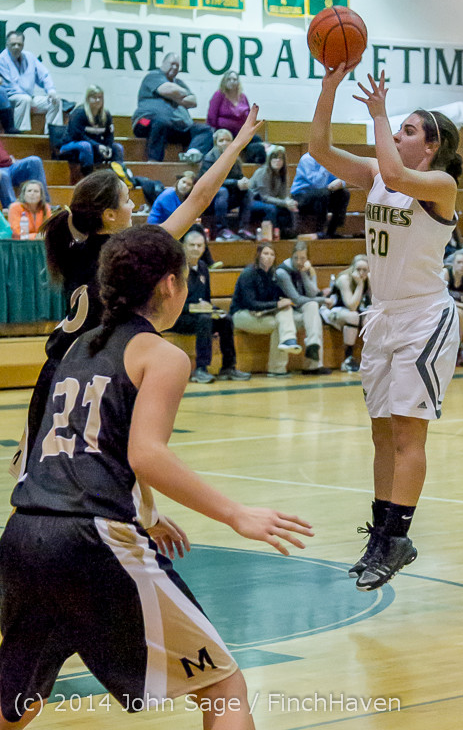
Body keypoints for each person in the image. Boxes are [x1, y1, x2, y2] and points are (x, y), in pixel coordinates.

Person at [0, 223, 313, 729]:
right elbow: (145, 453)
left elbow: (87, 445)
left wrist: (144, 512)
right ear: (170, 284)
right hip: (89, 536)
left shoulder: (77, 350)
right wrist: (236, 514)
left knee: (13, 704)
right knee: (222, 684)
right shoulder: (163, 355)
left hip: (24, 531)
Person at [10, 108, 263, 483]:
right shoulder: (128, 251)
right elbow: (198, 200)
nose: (134, 206)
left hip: (56, 374)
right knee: (106, 476)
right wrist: (237, 145)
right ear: (110, 216)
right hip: (88, 378)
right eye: (127, 201)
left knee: (34, 479)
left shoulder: (75, 248)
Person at [310, 64, 462, 591]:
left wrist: (377, 112)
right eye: (396, 128)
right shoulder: (379, 174)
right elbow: (320, 149)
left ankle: (399, 536)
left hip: (425, 317)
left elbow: (397, 175)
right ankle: (380, 535)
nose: (396, 135)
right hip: (382, 317)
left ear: (433, 145)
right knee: (380, 433)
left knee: (406, 431)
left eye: (408, 131)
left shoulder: (440, 184)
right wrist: (329, 90)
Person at [172, 230, 251, 383]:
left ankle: (228, 367)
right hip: (178, 318)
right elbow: (170, 304)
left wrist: (214, 310)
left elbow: (206, 299)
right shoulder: (176, 270)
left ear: (203, 248)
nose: (195, 248)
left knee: (225, 319)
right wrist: (195, 307)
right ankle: (201, 368)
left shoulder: (202, 267)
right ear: (183, 247)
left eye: (199, 245)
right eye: (192, 245)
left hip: (200, 316)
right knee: (204, 319)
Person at [230, 243, 302, 377]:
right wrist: (276, 305)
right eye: (265, 253)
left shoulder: (274, 275)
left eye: (272, 254)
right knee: (278, 324)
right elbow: (250, 303)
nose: (269, 257)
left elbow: (280, 298)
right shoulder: (248, 273)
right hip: (241, 314)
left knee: (285, 310)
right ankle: (277, 367)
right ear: (258, 255)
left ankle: (289, 341)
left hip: (262, 313)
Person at [132, 52, 213, 162]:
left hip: (173, 126)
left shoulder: (179, 82)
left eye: (177, 66)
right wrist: (181, 96)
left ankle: (192, 154)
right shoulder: (153, 76)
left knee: (205, 130)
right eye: (172, 64)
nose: (174, 67)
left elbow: (193, 101)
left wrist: (175, 95)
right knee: (161, 121)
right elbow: (167, 89)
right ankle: (153, 161)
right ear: (163, 63)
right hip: (145, 123)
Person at [275, 241, 333, 375]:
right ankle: (313, 363)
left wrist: (306, 274)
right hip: (287, 312)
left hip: (302, 310)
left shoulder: (307, 270)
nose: (299, 261)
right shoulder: (282, 272)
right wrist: (323, 300)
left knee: (313, 308)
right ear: (291, 256)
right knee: (313, 312)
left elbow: (314, 293)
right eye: (296, 258)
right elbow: (296, 299)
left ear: (307, 259)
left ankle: (312, 356)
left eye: (303, 258)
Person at [0, 30, 63, 132]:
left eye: (19, 44)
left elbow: (44, 74)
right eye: (13, 44)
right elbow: (12, 87)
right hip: (11, 99)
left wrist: (51, 91)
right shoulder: (2, 59)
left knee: (55, 101)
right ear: (7, 44)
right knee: (24, 100)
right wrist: (29, 101)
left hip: (29, 97)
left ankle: (53, 134)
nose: (16, 47)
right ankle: (21, 135)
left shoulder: (29, 56)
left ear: (23, 45)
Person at [199, 128, 256, 241]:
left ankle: (243, 229)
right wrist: (235, 183)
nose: (225, 143)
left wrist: (244, 181)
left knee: (247, 192)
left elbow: (239, 177)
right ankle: (221, 230)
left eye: (228, 140)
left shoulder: (235, 158)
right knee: (222, 191)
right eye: (221, 140)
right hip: (210, 198)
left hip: (227, 198)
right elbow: (212, 181)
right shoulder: (209, 158)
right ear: (216, 143)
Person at [59, 85, 124, 176]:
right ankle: (88, 176)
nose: (97, 100)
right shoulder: (79, 113)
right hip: (71, 145)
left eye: (100, 98)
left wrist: (108, 147)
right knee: (85, 146)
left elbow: (109, 135)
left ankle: (119, 176)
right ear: (88, 99)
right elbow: (78, 135)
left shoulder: (106, 114)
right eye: (94, 97)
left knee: (117, 147)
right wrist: (97, 146)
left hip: (94, 146)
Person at [320, 254, 371, 372]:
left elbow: (374, 303)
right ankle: (347, 359)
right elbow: (352, 306)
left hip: (350, 312)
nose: (361, 273)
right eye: (358, 269)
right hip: (332, 311)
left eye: (365, 270)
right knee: (353, 316)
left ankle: (371, 358)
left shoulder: (368, 278)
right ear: (352, 268)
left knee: (370, 319)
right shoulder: (344, 279)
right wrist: (360, 285)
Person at [207, 71, 266, 163]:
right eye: (229, 79)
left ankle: (253, 166)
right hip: (225, 132)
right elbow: (212, 116)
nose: (232, 81)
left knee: (257, 141)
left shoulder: (243, 97)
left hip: (240, 132)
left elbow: (249, 116)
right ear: (224, 81)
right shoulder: (219, 95)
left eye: (234, 79)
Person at [290, 152, 350, 238]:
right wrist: (325, 164)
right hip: (301, 196)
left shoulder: (328, 158)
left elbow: (338, 177)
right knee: (323, 193)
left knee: (344, 193)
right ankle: (319, 231)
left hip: (321, 195)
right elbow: (316, 184)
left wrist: (340, 182)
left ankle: (331, 231)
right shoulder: (307, 159)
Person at [248, 145, 298, 238]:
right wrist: (284, 203)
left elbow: (284, 195)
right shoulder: (262, 172)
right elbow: (264, 197)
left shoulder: (283, 174)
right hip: (252, 201)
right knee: (271, 208)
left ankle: (288, 235)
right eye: (274, 158)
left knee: (289, 209)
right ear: (269, 159)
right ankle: (271, 236)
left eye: (280, 158)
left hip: (268, 201)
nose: (277, 161)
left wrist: (289, 202)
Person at [0, 136, 50, 209]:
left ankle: (43, 205)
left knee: (34, 161)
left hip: (10, 166)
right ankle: (14, 209)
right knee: (3, 174)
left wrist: (9, 159)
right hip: (2, 172)